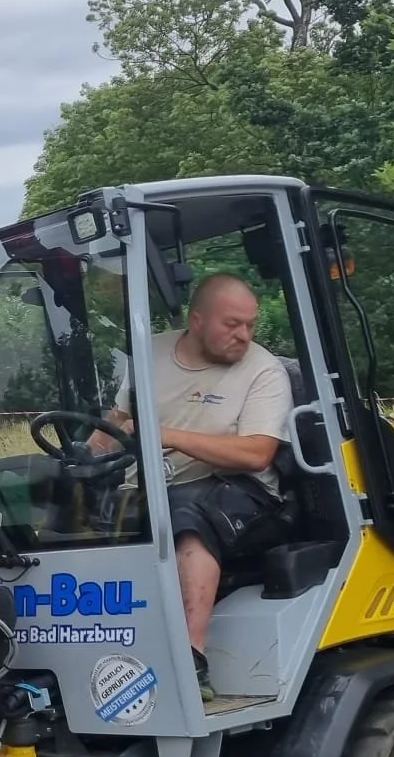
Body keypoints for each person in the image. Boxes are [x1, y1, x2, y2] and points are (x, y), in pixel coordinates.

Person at [114, 273, 291, 700]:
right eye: (232, 324)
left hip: (242, 491)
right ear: (197, 321)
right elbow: (119, 421)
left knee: (185, 517)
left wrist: (167, 436)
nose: (244, 335)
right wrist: (83, 455)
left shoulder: (264, 371)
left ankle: (190, 659)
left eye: (250, 325)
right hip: (150, 485)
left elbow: (257, 453)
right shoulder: (150, 353)